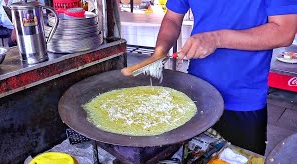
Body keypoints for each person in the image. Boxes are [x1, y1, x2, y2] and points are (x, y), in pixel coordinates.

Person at [122, 1, 297, 155]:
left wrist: (216, 39)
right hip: (197, 94)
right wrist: (159, 52)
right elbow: (172, 18)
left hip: (244, 100)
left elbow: (284, 31)